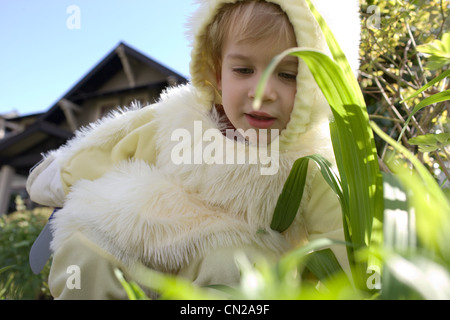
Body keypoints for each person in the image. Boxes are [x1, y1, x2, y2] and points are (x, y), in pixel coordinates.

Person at [27, 0, 361, 299]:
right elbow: (115, 143)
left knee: (235, 271)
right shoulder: (179, 117)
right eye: (244, 70)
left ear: (314, 85)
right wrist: (63, 172)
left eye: (288, 75)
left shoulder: (312, 162)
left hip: (233, 252)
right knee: (88, 243)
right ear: (217, 73)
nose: (263, 92)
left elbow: (340, 241)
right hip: (146, 226)